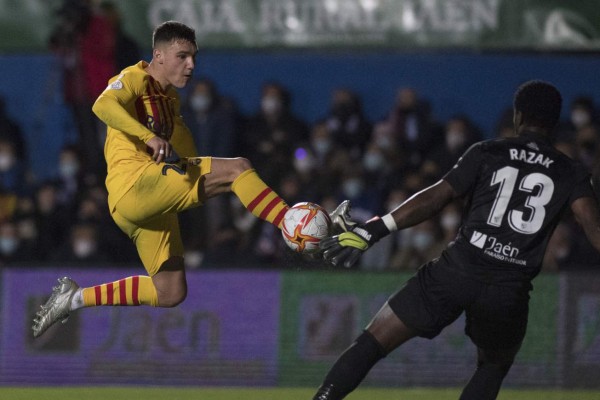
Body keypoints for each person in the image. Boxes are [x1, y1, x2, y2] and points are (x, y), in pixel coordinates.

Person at [312, 80, 600, 400]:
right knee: (492, 366)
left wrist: (374, 229)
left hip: (456, 271)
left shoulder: (488, 151)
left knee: (374, 340)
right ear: (556, 122)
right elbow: (593, 227)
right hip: (508, 289)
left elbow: (436, 197)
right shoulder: (571, 171)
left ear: (518, 116)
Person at [32, 21, 292, 338]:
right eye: (182, 56)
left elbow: (188, 160)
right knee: (238, 167)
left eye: (194, 57)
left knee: (169, 292)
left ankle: (73, 298)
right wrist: (148, 137)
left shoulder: (171, 105)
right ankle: (291, 224)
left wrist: (217, 187)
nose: (191, 65)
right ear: (158, 55)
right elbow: (102, 105)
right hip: (135, 185)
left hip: (148, 205)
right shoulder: (135, 77)